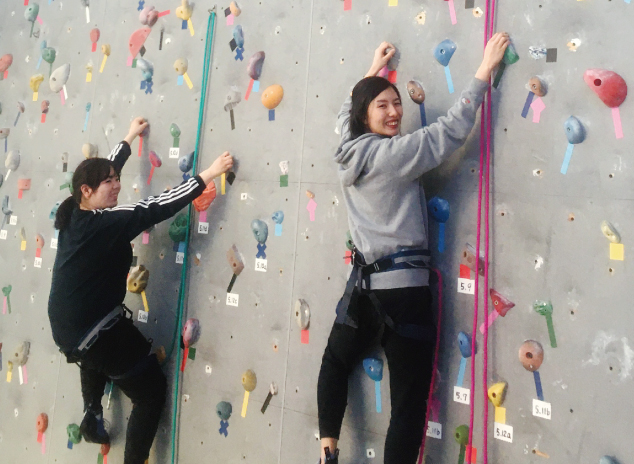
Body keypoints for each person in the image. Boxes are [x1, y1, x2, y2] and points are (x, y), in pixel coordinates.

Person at [317, 34, 509, 464]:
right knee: (408, 404)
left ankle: (327, 450)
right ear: (365, 115)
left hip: (362, 290)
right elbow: (448, 132)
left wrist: (373, 70)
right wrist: (485, 68)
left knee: (335, 361)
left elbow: (344, 115)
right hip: (404, 295)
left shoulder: (346, 151)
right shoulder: (393, 154)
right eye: (382, 106)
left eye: (396, 103)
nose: (395, 112)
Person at [47, 117, 233, 464]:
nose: (117, 186)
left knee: (89, 354)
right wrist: (209, 173)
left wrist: (130, 137)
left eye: (116, 180)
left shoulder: (73, 210)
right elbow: (155, 206)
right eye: (109, 183)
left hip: (68, 327)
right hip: (96, 330)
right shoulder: (105, 224)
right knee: (150, 392)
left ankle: (92, 413)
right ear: (87, 190)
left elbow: (104, 168)